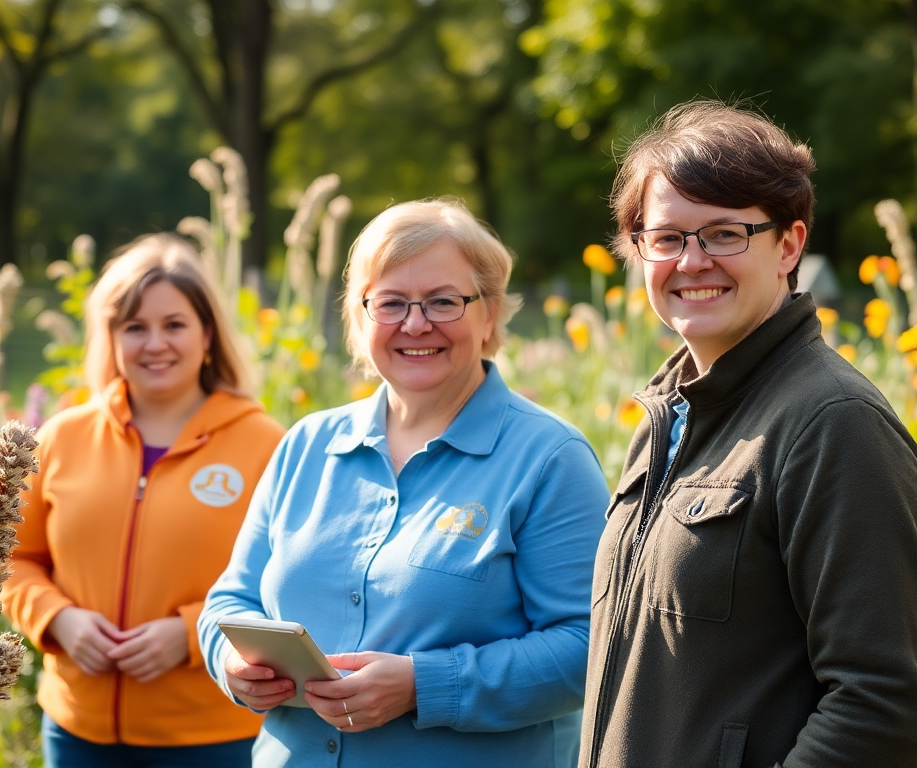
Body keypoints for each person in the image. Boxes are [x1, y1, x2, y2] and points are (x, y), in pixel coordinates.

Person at [579, 101, 917, 768]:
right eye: (666, 237)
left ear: (790, 244)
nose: (691, 261)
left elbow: (881, 705)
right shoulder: (668, 415)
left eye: (724, 234)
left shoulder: (833, 425)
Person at [198, 199, 610, 767]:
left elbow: (591, 647)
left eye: (444, 301)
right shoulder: (306, 444)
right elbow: (230, 600)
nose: (416, 324)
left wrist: (423, 684)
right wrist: (232, 665)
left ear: (489, 314)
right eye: (390, 303)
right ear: (359, 318)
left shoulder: (549, 458)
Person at [3, 234, 286, 766]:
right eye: (134, 327)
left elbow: (291, 583)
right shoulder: (60, 438)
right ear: (109, 339)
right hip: (75, 731)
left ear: (208, 335)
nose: (155, 343)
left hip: (214, 736)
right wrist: (58, 618)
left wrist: (189, 636)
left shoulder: (267, 445)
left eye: (174, 324)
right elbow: (10, 561)